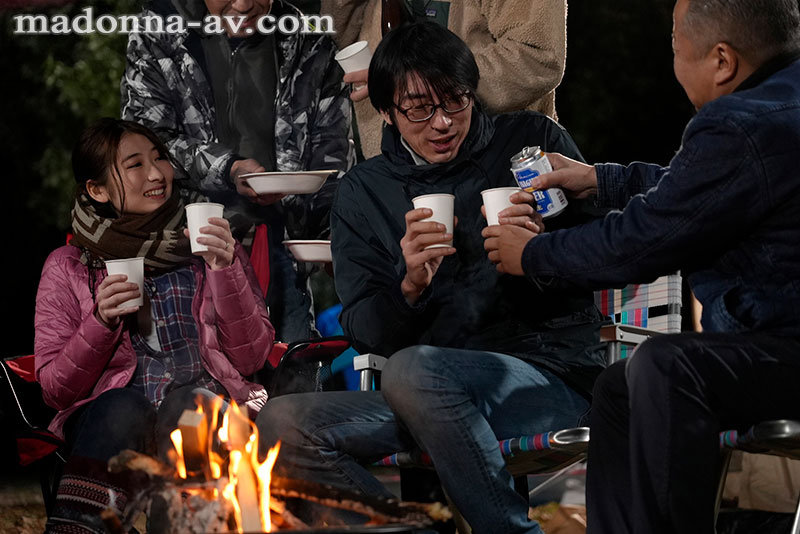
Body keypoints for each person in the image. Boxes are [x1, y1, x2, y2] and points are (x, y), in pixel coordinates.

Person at [255, 22, 607, 533]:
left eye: (455, 101)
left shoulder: (530, 144)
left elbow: (604, 255)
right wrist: (409, 288)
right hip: (425, 399)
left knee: (413, 369)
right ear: (385, 112)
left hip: (547, 379)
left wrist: (541, 251)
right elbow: (364, 328)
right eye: (419, 109)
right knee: (283, 422)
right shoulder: (364, 193)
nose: (442, 123)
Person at [483, 0, 800, 532]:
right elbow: (700, 192)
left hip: (785, 350)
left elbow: (644, 241)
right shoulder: (779, 105)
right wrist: (598, 180)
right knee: (619, 389)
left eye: (675, 46)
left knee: (666, 366)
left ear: (722, 60)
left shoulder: (740, 125)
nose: (672, 62)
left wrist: (532, 255)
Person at [37, 119, 274, 533]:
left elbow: (252, 357)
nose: (156, 174)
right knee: (122, 406)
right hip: (115, 423)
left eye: (160, 158)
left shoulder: (210, 245)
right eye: (135, 165)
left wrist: (224, 269)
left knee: (192, 405)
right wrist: (101, 321)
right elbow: (56, 390)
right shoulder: (68, 266)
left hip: (206, 413)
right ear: (97, 190)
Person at [121, 0, 354, 342]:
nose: (243, 5)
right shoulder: (159, 31)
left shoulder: (309, 39)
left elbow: (332, 154)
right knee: (194, 373)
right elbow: (144, 141)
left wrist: (332, 233)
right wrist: (227, 168)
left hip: (279, 250)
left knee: (289, 367)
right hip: (184, 250)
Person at [321, 0, 567, 158]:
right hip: (396, 172)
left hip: (500, 167)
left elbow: (537, 57)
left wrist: (410, 81)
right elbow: (341, 36)